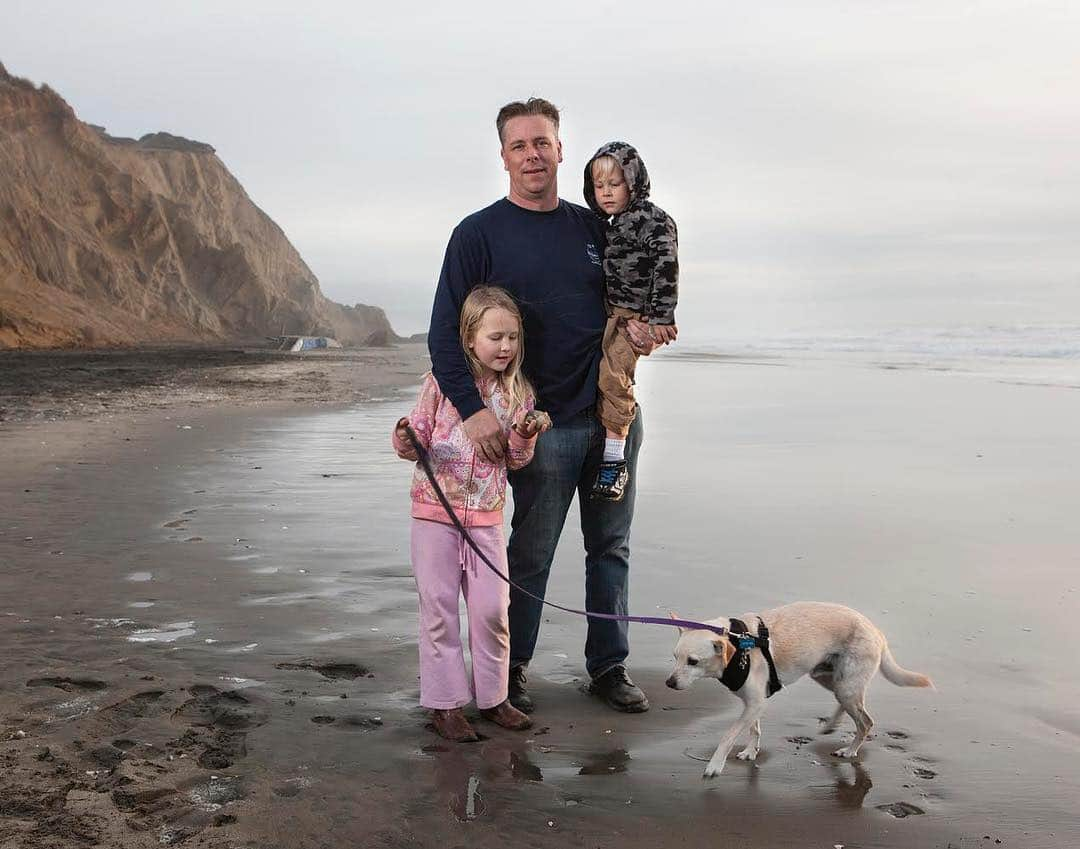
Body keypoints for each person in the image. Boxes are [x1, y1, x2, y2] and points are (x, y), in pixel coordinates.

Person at [427, 98, 663, 714]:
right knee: (529, 553)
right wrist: (475, 413)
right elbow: (442, 334)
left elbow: (630, 297)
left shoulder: (594, 228)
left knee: (611, 546)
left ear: (561, 150)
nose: (533, 155)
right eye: (519, 145)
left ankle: (609, 666)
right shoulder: (478, 234)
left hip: (610, 422)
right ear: (503, 157)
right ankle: (515, 667)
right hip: (537, 426)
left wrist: (646, 327)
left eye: (543, 143)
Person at [393, 286, 551, 742]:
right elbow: (415, 437)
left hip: (486, 518)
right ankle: (444, 705)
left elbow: (517, 461)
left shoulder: (519, 392)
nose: (506, 347)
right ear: (468, 338)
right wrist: (404, 438)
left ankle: (494, 698)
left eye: (513, 338)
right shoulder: (440, 384)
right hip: (434, 516)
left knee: (492, 611)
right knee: (439, 611)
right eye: (496, 337)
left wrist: (523, 435)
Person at [583, 141, 679, 501]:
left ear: (634, 182)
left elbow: (667, 267)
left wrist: (659, 318)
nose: (606, 192)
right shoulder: (608, 225)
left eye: (615, 184)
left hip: (636, 316)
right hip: (613, 313)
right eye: (599, 186)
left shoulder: (653, 221)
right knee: (606, 373)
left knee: (614, 377)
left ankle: (613, 463)